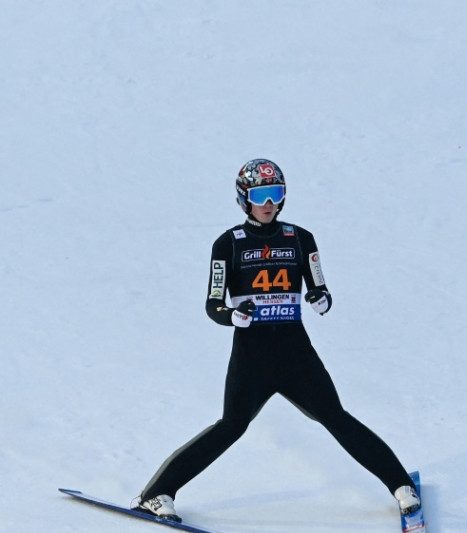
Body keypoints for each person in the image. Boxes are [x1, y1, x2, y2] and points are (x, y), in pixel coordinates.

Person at [132, 159, 420, 522]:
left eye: (276, 194)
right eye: (261, 195)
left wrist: (321, 299)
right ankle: (155, 493)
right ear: (244, 199)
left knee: (335, 417)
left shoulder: (300, 238)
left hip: (295, 353)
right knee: (231, 427)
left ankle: (400, 483)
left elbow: (320, 288)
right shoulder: (228, 244)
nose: (269, 204)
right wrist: (231, 316)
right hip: (252, 355)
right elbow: (213, 302)